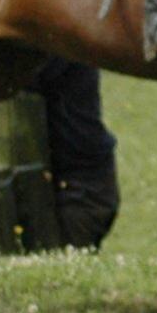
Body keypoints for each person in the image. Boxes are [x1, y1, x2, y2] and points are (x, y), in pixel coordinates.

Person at [24, 57, 120, 249]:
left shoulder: (59, 50)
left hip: (80, 189)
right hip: (79, 185)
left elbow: (19, 78)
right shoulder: (63, 44)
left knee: (56, 269)